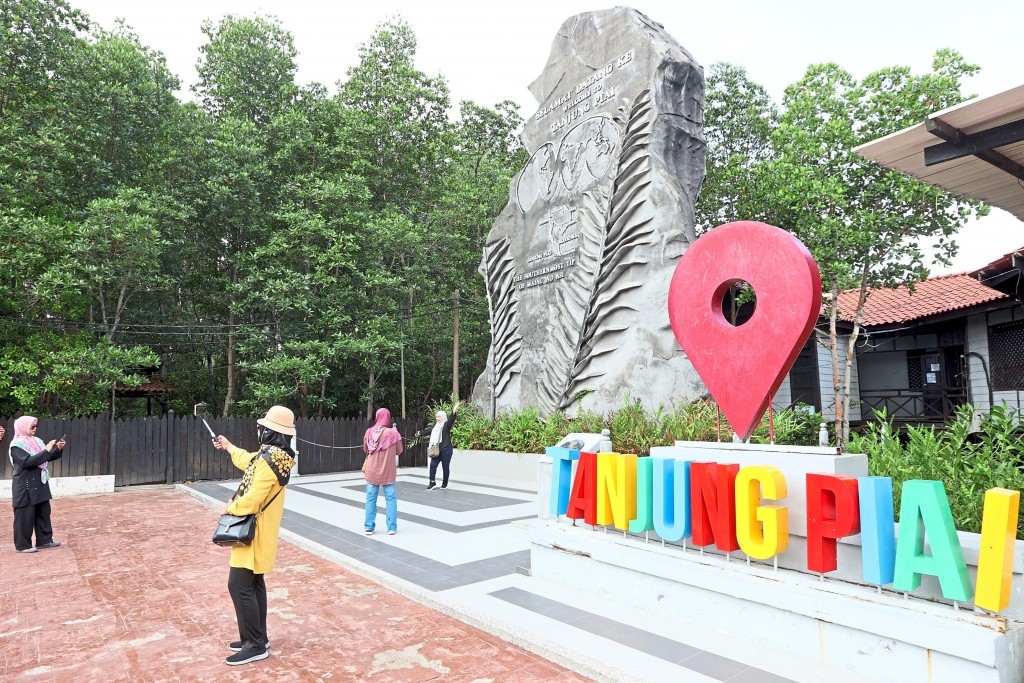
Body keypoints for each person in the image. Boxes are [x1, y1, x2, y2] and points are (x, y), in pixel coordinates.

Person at [212, 405, 296, 666]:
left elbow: (253, 499)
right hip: (262, 531)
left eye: (262, 428)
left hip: (253, 532)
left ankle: (255, 645)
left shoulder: (269, 461)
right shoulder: (275, 456)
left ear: (271, 433)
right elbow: (249, 460)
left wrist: (229, 507)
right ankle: (257, 636)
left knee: (238, 585)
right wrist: (228, 446)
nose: (259, 430)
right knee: (253, 583)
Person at [9, 416, 65, 553]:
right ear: (22, 427)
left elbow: (45, 458)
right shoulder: (17, 445)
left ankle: (44, 540)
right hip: (25, 483)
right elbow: (27, 462)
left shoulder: (37, 441)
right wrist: (46, 450)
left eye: (36, 426)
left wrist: (57, 449)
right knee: (25, 515)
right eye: (32, 426)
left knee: (43, 511)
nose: (35, 429)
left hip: (40, 482)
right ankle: (23, 545)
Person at [363, 407, 403, 535]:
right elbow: (399, 451)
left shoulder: (369, 432)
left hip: (372, 470)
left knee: (370, 499)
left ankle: (369, 527)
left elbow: (366, 449)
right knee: (390, 499)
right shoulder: (394, 434)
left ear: (377, 417)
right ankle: (391, 528)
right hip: (388, 471)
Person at [416, 400, 461, 490]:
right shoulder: (435, 427)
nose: (437, 418)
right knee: (433, 465)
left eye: (439, 416)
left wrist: (454, 410)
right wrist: (420, 433)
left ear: (443, 417)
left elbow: (451, 419)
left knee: (445, 466)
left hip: (446, 448)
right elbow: (428, 430)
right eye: (437, 416)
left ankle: (445, 483)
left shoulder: (446, 425)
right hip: (436, 449)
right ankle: (432, 482)